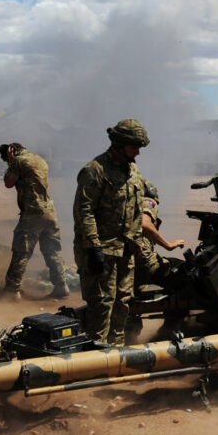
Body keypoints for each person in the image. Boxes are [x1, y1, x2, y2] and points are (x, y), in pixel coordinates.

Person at [73, 119, 149, 345]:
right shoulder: (95, 171)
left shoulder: (133, 170)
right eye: (134, 146)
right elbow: (83, 211)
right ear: (118, 144)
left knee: (123, 303)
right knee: (102, 305)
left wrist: (136, 240)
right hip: (102, 252)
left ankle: (115, 353)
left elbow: (136, 207)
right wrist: (93, 247)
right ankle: (97, 356)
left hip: (125, 252)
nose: (137, 152)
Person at [0, 142, 69, 300]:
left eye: (7, 159)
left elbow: (8, 183)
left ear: (13, 151)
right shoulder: (39, 159)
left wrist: (11, 162)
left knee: (21, 252)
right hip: (49, 212)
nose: (8, 162)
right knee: (53, 251)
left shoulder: (18, 161)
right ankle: (61, 286)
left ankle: (11, 291)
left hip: (33, 213)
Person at [133, 179, 186, 340]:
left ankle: (129, 336)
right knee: (184, 276)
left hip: (126, 264)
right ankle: (170, 327)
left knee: (130, 297)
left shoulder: (126, 204)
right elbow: (145, 223)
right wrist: (168, 245)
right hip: (145, 263)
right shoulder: (148, 202)